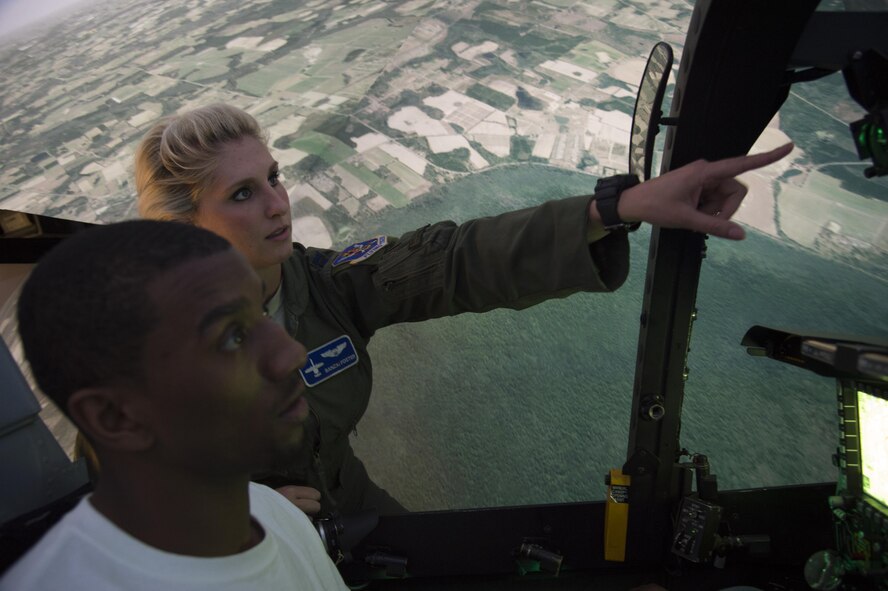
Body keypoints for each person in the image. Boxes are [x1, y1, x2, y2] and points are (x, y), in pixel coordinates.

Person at [134, 103, 793, 517]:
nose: (278, 204)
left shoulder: (320, 286)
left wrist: (616, 209)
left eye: (274, 177)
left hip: (347, 506)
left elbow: (454, 261)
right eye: (242, 194)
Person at [0, 220, 348, 590]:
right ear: (116, 417)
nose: (292, 353)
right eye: (233, 337)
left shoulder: (273, 511)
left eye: (259, 313)